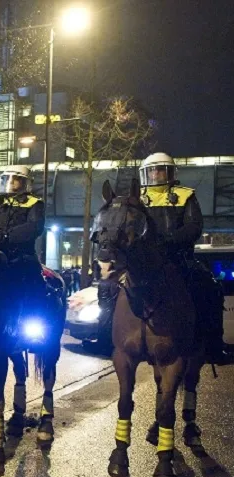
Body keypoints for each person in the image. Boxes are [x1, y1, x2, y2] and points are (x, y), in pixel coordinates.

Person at [95, 152, 233, 364]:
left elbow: (194, 226)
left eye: (161, 169)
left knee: (209, 288)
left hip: (177, 257)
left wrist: (169, 240)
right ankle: (105, 337)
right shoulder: (135, 198)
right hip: (143, 261)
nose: (156, 174)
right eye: (152, 170)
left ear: (170, 172)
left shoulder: (185, 195)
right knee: (108, 288)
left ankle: (213, 344)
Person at [0, 165, 46, 325]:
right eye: (7, 179)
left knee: (35, 285)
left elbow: (35, 227)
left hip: (21, 258)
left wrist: (6, 236)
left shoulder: (34, 203)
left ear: (24, 182)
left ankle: (36, 323)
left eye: (15, 179)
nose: (10, 182)